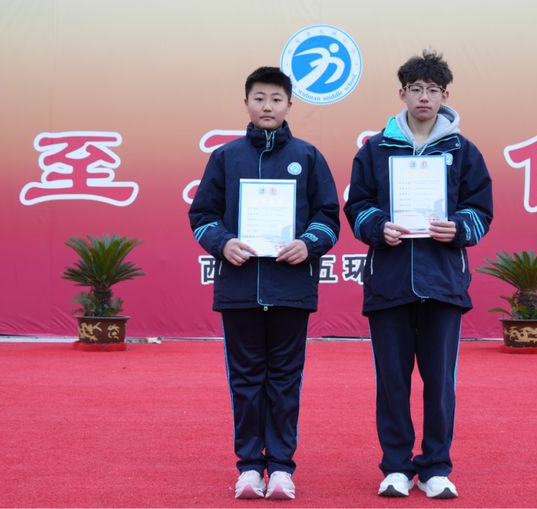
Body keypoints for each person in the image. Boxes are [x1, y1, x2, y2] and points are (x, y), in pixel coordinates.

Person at [344, 51, 493, 499]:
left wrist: (458, 228)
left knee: (440, 382)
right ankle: (395, 465)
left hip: (443, 282)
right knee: (392, 381)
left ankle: (435, 467)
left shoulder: (463, 151)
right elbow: (357, 204)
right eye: (415, 89)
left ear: (445, 95)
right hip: (389, 281)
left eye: (432, 89)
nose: (423, 97)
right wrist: (377, 226)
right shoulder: (375, 149)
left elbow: (480, 209)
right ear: (402, 93)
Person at [189, 67, 340, 500]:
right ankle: (250, 467)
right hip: (239, 290)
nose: (267, 106)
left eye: (276, 99)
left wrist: (308, 244)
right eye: (259, 98)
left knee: (285, 381)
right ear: (246, 103)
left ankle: (282, 469)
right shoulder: (226, 157)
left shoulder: (308, 156)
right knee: (245, 380)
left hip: (291, 289)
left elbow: (328, 216)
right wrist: (223, 243)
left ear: (289, 104)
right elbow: (202, 215)